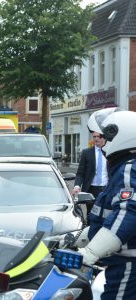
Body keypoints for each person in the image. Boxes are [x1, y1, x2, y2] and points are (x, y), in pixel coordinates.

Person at [77, 109, 136, 299]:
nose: (102, 141)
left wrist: (90, 253)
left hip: (128, 265)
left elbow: (127, 213)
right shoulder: (121, 168)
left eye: (107, 136)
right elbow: (106, 218)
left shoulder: (128, 169)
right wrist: (73, 239)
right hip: (119, 263)